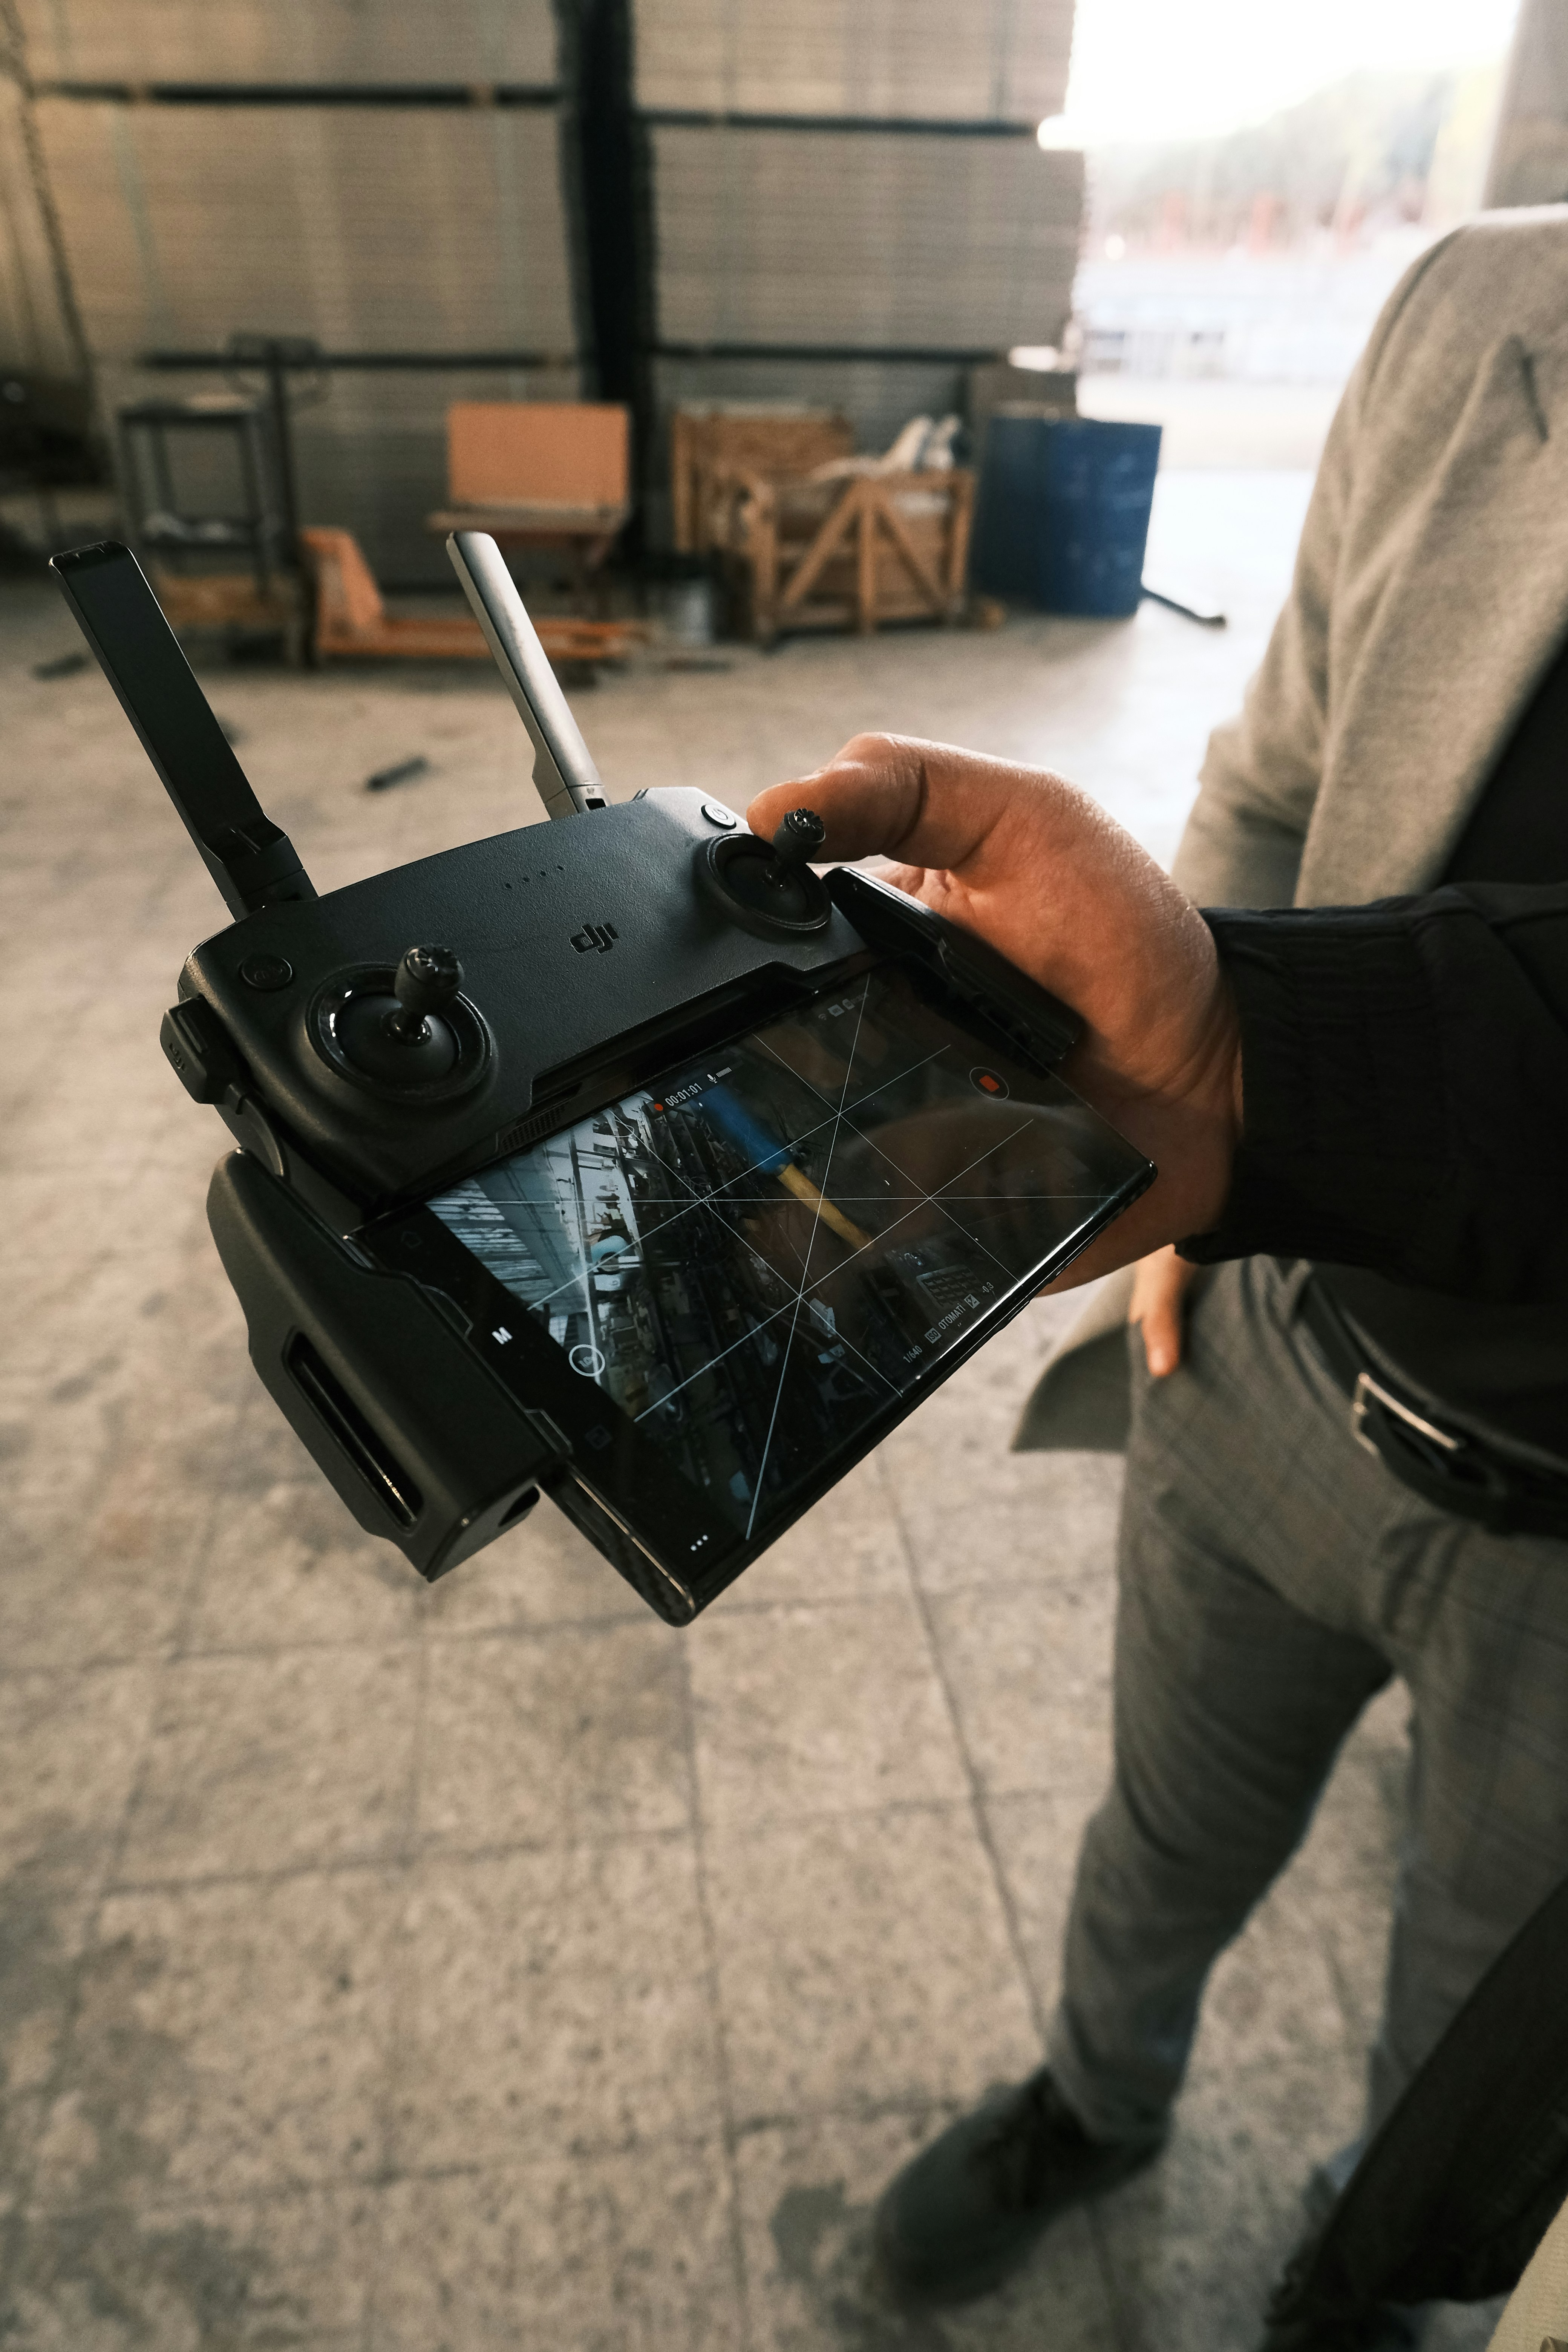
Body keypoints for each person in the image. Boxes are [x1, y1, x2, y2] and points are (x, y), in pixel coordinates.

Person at [744, 203, 1568, 2350]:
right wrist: (1195, 1161)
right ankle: (1099, 2111)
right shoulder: (1492, 305)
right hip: (1274, 1356)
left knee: (1485, 2050)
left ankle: (1380, 2283)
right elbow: (1281, 778)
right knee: (1161, 1843)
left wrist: (1258, 1076)